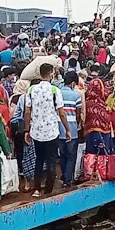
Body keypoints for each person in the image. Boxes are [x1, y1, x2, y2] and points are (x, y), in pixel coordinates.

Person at [24, 63, 70, 197]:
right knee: (51, 161)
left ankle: (36, 189)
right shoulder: (55, 90)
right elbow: (61, 113)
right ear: (51, 74)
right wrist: (67, 129)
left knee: (39, 160)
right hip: (51, 132)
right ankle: (49, 190)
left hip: (36, 132)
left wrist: (27, 130)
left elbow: (27, 112)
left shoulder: (31, 90)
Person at [58, 71, 83, 186]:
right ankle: (68, 179)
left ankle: (64, 177)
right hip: (72, 129)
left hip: (59, 128)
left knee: (62, 155)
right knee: (71, 155)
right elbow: (78, 114)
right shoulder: (76, 96)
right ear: (73, 83)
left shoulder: (57, 93)